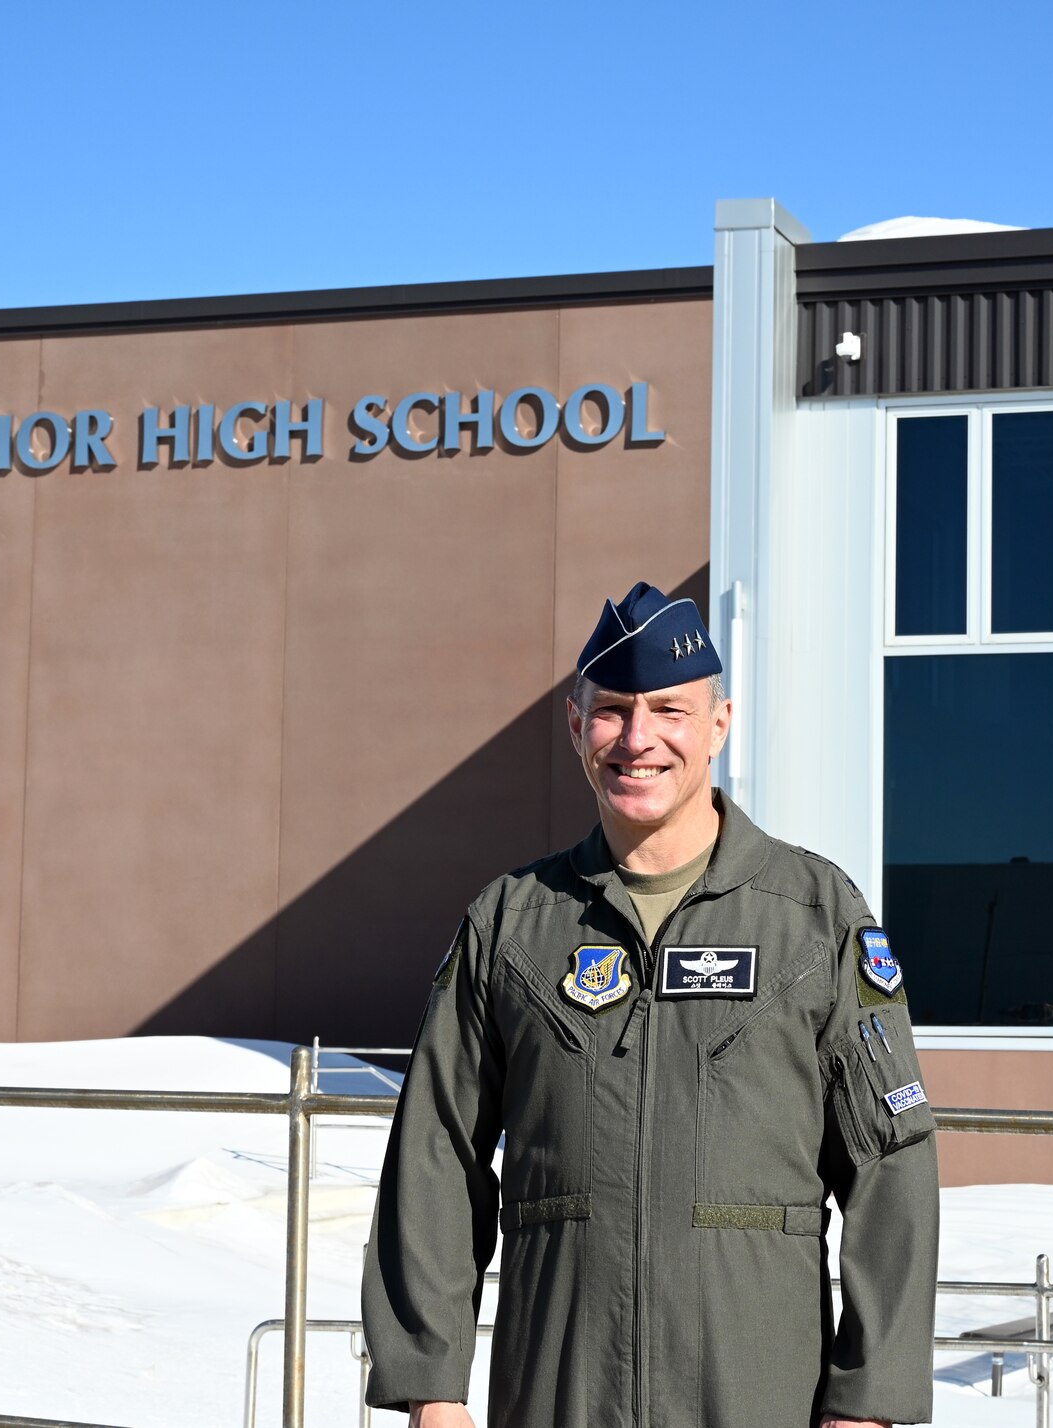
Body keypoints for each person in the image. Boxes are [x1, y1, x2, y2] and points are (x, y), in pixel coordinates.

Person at [362, 581, 939, 1427]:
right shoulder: (513, 922)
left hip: (756, 1395)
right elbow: (436, 1155)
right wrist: (431, 1384)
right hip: (559, 1395)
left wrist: (868, 1398)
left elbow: (892, 1163)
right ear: (575, 726)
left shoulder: (815, 917)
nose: (638, 740)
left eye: (669, 710)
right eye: (612, 711)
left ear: (718, 723)